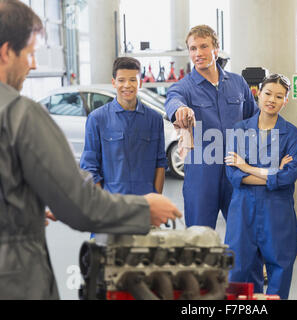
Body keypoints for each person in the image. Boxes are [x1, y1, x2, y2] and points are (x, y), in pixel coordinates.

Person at [0, 0, 181, 299]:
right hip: (14, 279)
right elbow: (80, 203)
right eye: (31, 53)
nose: (33, 64)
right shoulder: (21, 114)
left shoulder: (151, 119)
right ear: (7, 52)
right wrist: (145, 208)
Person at [165, 25, 258, 229]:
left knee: (244, 233)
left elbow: (255, 119)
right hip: (201, 173)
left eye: (203, 46)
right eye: (193, 48)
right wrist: (180, 109)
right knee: (199, 236)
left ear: (216, 49)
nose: (198, 53)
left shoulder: (238, 83)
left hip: (237, 169)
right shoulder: (184, 87)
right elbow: (173, 100)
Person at [224, 74, 297, 299]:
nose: (272, 100)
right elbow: (233, 175)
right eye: (268, 93)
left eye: (279, 96)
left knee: (280, 268)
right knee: (239, 272)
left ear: (285, 101)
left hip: (276, 212)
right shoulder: (239, 130)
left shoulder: (292, 135)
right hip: (243, 210)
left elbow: (287, 178)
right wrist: (273, 173)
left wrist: (246, 166)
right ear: (258, 93)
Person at [80, 57, 166, 195]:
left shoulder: (155, 119)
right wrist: (103, 203)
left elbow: (160, 164)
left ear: (141, 83)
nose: (127, 85)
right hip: (113, 204)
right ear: (113, 82)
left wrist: (156, 200)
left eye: (133, 80)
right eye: (121, 80)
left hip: (146, 202)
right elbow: (89, 166)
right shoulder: (97, 119)